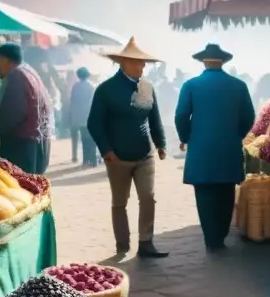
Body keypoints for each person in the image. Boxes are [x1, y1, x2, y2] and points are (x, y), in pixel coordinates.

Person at [87, 37, 169, 258]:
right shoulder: (106, 90)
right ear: (122, 62)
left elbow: (155, 119)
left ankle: (146, 242)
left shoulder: (148, 88)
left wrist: (161, 143)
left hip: (145, 155)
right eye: (136, 62)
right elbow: (94, 123)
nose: (141, 66)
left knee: (148, 197)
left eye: (143, 63)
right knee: (120, 202)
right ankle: (122, 244)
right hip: (117, 158)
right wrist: (106, 151)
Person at [175, 44, 255, 251]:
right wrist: (237, 134)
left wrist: (186, 137)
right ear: (223, 61)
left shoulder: (191, 85)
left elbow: (181, 116)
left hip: (201, 149)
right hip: (228, 148)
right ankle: (221, 236)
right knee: (226, 191)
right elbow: (249, 117)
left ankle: (211, 239)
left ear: (203, 61)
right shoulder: (238, 86)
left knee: (205, 193)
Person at [0, 42, 54, 174]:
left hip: (21, 146)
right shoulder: (31, 72)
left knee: (20, 189)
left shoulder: (17, 75)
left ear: (6, 60)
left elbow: (13, 113)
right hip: (37, 143)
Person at [68, 67, 97, 166]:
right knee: (92, 140)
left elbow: (72, 102)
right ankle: (93, 161)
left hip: (79, 118)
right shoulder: (91, 86)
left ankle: (86, 160)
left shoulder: (75, 87)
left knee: (84, 140)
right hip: (90, 116)